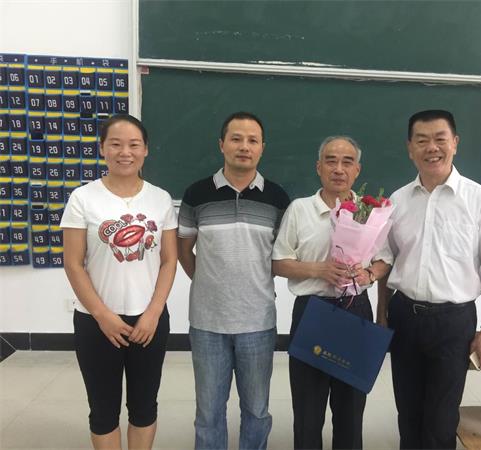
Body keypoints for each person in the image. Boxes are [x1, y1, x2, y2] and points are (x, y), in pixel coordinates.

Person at [377, 110, 481, 450]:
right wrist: (381, 315)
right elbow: (385, 262)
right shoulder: (397, 201)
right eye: (422, 140)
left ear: (455, 143)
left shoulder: (480, 200)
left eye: (440, 139)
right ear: (410, 148)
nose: (431, 148)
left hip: (454, 322)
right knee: (408, 415)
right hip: (405, 316)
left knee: (441, 420)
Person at [61, 114, 178, 450]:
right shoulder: (83, 198)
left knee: (144, 406)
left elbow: (169, 260)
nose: (125, 152)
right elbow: (73, 263)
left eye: (134, 145)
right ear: (102, 149)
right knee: (103, 410)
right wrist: (102, 316)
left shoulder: (160, 199)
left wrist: (153, 312)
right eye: (115, 144)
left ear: (146, 150)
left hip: (148, 321)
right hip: (96, 322)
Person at [177, 111, 290, 450]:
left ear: (262, 148)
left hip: (258, 322)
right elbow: (184, 250)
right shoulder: (197, 194)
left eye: (252, 140)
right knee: (209, 412)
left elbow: (281, 256)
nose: (244, 146)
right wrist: (211, 285)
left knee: (256, 410)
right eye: (236, 139)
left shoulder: (277, 198)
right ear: (221, 144)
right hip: (207, 323)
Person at [272, 136, 391, 450]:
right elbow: (278, 263)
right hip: (312, 312)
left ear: (357, 170)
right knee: (308, 411)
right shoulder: (299, 209)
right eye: (331, 161)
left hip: (356, 310)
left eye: (347, 162)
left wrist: (370, 273)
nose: (339, 169)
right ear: (318, 167)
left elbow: (385, 260)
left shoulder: (371, 211)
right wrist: (318, 270)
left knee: (350, 410)